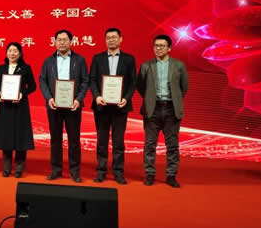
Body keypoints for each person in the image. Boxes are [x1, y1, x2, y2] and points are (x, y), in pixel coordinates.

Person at [137, 34, 189, 188]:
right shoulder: (146, 66)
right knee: (150, 144)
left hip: (171, 109)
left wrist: (174, 99)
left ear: (169, 48)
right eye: (156, 46)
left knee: (172, 145)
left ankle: (171, 175)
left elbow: (184, 87)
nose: (158, 48)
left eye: (162, 46)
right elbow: (140, 87)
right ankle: (150, 174)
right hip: (152, 109)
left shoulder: (179, 66)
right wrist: (150, 99)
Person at [39, 29, 89, 182]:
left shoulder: (79, 60)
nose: (62, 42)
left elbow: (85, 81)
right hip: (54, 105)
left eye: (65, 40)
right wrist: (49, 98)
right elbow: (42, 80)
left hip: (73, 106)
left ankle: (75, 171)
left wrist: (78, 99)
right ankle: (56, 170)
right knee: (55, 139)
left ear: (71, 42)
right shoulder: (48, 61)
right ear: (55, 42)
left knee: (74, 140)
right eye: (59, 40)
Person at [89, 28, 136, 184]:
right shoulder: (98, 58)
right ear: (105, 40)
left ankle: (118, 171)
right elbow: (92, 79)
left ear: (120, 39)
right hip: (101, 107)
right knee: (101, 141)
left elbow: (133, 83)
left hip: (120, 107)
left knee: (118, 142)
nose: (111, 40)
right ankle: (101, 171)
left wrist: (126, 99)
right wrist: (97, 96)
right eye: (108, 37)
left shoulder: (129, 59)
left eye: (114, 37)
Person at [0, 42, 36, 178]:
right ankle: (6, 168)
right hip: (5, 107)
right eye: (10, 50)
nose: (12, 53)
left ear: (20, 53)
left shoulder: (25, 68)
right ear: (6, 53)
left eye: (15, 51)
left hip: (20, 106)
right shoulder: (1, 68)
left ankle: (19, 169)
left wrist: (22, 94)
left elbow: (32, 86)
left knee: (20, 136)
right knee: (6, 136)